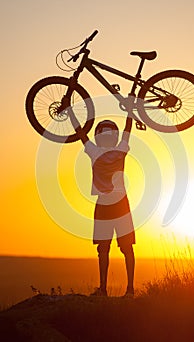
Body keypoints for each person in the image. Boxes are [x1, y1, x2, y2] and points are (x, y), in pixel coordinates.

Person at [74, 112, 135, 297]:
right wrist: (130, 111)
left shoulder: (94, 151)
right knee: (126, 248)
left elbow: (80, 132)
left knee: (103, 249)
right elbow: (127, 129)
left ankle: (102, 289)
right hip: (121, 203)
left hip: (104, 204)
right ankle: (130, 289)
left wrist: (69, 111)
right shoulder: (121, 149)